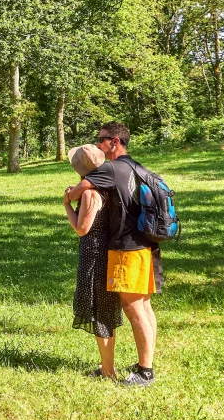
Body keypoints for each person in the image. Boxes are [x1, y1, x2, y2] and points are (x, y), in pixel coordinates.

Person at [63, 122, 162, 387]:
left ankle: (145, 372)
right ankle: (147, 363)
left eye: (101, 140)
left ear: (114, 141)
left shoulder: (109, 169)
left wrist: (67, 196)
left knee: (132, 308)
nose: (99, 145)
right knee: (144, 305)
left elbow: (78, 190)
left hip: (127, 247)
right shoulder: (136, 166)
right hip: (147, 243)